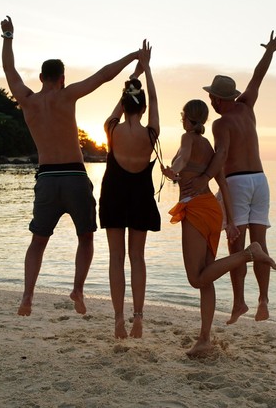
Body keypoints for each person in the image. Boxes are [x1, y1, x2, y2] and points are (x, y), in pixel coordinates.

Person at [0, 15, 142, 316]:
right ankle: (77, 290)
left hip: (47, 178)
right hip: (75, 176)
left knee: (38, 241)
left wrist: (8, 36)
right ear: (62, 78)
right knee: (85, 237)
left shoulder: (28, 100)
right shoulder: (68, 95)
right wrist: (134, 57)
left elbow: (10, 70)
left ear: (41, 78)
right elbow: (104, 75)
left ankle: (27, 297)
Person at [182, 30, 276, 324]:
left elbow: (222, 157)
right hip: (260, 181)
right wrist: (270, 52)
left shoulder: (220, 123)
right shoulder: (246, 107)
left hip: (238, 182)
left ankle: (239, 302)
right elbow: (258, 76)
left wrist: (204, 177)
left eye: (212, 97)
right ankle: (263, 300)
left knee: (237, 246)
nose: (211, 101)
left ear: (217, 98)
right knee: (261, 245)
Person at [163, 99, 276, 357]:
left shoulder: (188, 138)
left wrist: (172, 172)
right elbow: (223, 183)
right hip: (211, 210)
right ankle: (204, 339)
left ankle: (249, 254)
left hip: (195, 208)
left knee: (197, 278)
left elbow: (181, 160)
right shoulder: (209, 147)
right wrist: (228, 221)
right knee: (207, 276)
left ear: (186, 118)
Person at [98, 40, 161, 339]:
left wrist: (130, 85)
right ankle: (138, 317)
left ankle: (119, 319)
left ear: (124, 106)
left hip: (113, 194)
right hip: (140, 196)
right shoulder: (151, 133)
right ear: (145, 107)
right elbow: (156, 102)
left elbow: (119, 109)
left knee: (115, 258)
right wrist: (146, 69)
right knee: (137, 257)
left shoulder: (112, 129)